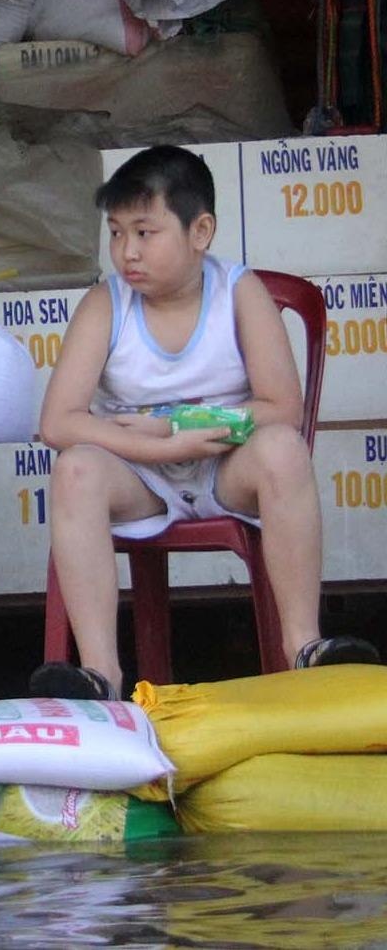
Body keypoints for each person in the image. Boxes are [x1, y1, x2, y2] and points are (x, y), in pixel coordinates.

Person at [29, 145, 379, 701]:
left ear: (201, 231)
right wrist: (149, 448)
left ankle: (305, 648)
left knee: (284, 449)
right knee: (74, 471)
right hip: (138, 479)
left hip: (226, 467)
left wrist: (175, 429)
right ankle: (101, 675)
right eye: (116, 233)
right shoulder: (105, 304)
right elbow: (58, 422)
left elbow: (280, 408)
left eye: (145, 233)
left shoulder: (239, 292)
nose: (127, 252)